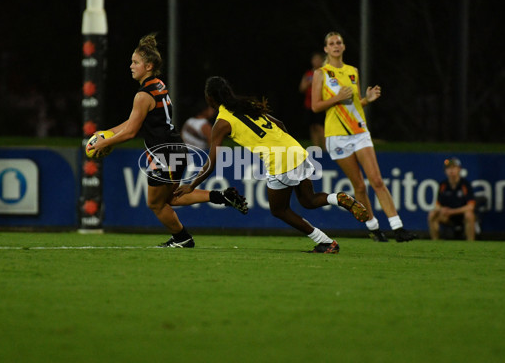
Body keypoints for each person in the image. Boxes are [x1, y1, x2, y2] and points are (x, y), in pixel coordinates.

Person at [174, 76, 369, 254]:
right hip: (295, 149)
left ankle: (326, 242)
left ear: (210, 99)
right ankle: (338, 198)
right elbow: (281, 124)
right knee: (308, 200)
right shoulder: (247, 105)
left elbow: (212, 161)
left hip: (280, 161)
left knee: (279, 210)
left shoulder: (222, 122)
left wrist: (191, 185)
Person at [88, 34, 248, 248]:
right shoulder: (158, 85)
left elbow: (131, 131)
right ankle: (221, 197)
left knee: (155, 203)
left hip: (164, 155)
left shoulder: (142, 95)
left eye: (136, 62)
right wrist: (108, 131)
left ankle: (183, 238)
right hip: (175, 150)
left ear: (149, 65)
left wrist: (104, 143)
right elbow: (133, 121)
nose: (131, 66)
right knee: (171, 198)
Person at [311, 31, 416, 243]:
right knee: (359, 186)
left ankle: (398, 227)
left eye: (339, 42)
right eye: (331, 43)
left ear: (343, 46)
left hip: (359, 132)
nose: (336, 46)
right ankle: (373, 227)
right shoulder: (321, 73)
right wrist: (337, 98)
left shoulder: (352, 71)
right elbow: (315, 106)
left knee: (376, 179)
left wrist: (366, 100)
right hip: (337, 137)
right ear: (326, 49)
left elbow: (354, 104)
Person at [428, 157, 476, 241]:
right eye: (448, 168)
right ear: (445, 171)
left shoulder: (465, 184)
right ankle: (435, 241)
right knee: (432, 214)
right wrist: (442, 209)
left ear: (459, 169)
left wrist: (452, 211)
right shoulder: (443, 185)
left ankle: (470, 242)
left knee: (469, 215)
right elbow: (437, 205)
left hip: (461, 215)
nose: (451, 170)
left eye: (454, 167)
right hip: (447, 217)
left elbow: (471, 206)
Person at [298, 52, 326, 149]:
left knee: (320, 126)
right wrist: (310, 82)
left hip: (321, 105)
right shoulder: (308, 74)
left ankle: (326, 150)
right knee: (313, 127)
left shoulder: (325, 73)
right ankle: (316, 148)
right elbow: (302, 88)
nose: (316, 62)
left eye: (318, 60)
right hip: (309, 105)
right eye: (314, 60)